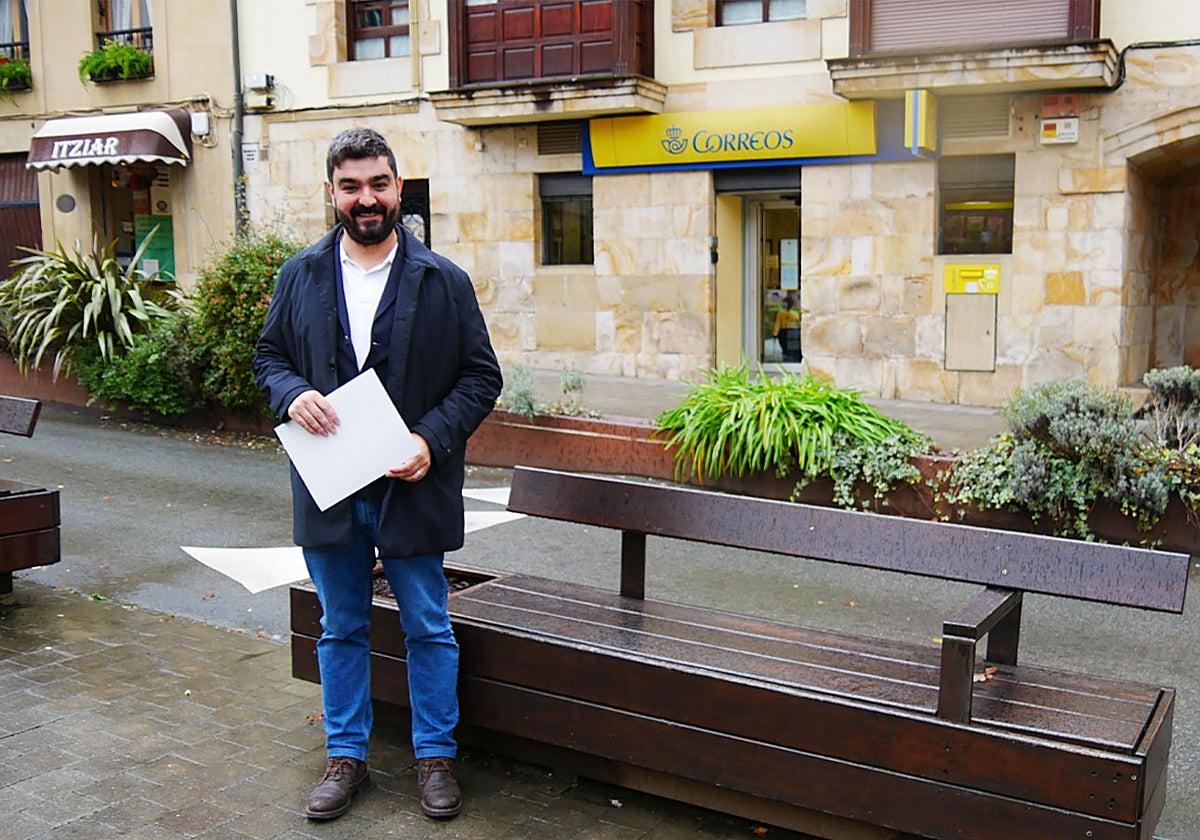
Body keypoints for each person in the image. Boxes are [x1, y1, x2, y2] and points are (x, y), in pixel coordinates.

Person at [253, 126, 502, 822]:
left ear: (399, 188)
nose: (368, 198)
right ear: (331, 193)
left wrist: (431, 438)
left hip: (413, 488)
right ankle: (346, 759)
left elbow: (481, 377)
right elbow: (268, 358)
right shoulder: (299, 275)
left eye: (380, 184)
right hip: (330, 488)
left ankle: (435, 759)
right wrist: (290, 393)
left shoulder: (443, 281)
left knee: (427, 625)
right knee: (339, 628)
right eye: (352, 186)